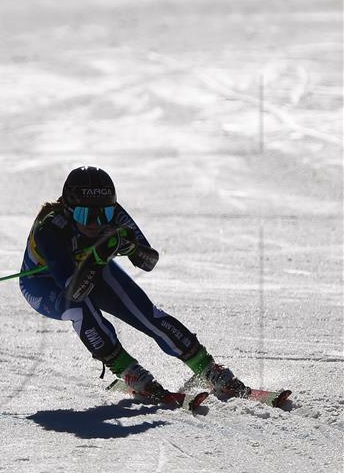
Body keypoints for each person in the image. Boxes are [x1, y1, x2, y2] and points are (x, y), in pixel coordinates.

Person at [19, 165, 250, 400]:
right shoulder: (49, 228)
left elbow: (149, 260)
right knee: (80, 310)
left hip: (91, 267)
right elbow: (75, 292)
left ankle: (206, 368)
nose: (95, 223)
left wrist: (131, 247)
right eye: (84, 215)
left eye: (104, 215)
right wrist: (99, 257)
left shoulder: (114, 212)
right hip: (44, 283)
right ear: (68, 210)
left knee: (145, 313)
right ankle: (128, 371)